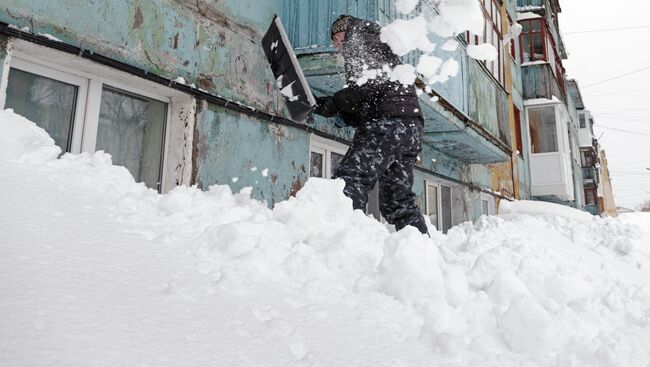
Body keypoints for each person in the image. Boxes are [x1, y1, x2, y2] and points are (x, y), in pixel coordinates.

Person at [314, 14, 429, 235]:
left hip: (389, 124)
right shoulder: (376, 42)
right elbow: (371, 97)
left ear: (342, 32)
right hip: (409, 129)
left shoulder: (358, 38)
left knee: (350, 180)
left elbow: (370, 86)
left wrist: (334, 103)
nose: (335, 45)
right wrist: (340, 114)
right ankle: (422, 255)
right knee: (398, 200)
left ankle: (345, 247)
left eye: (335, 39)